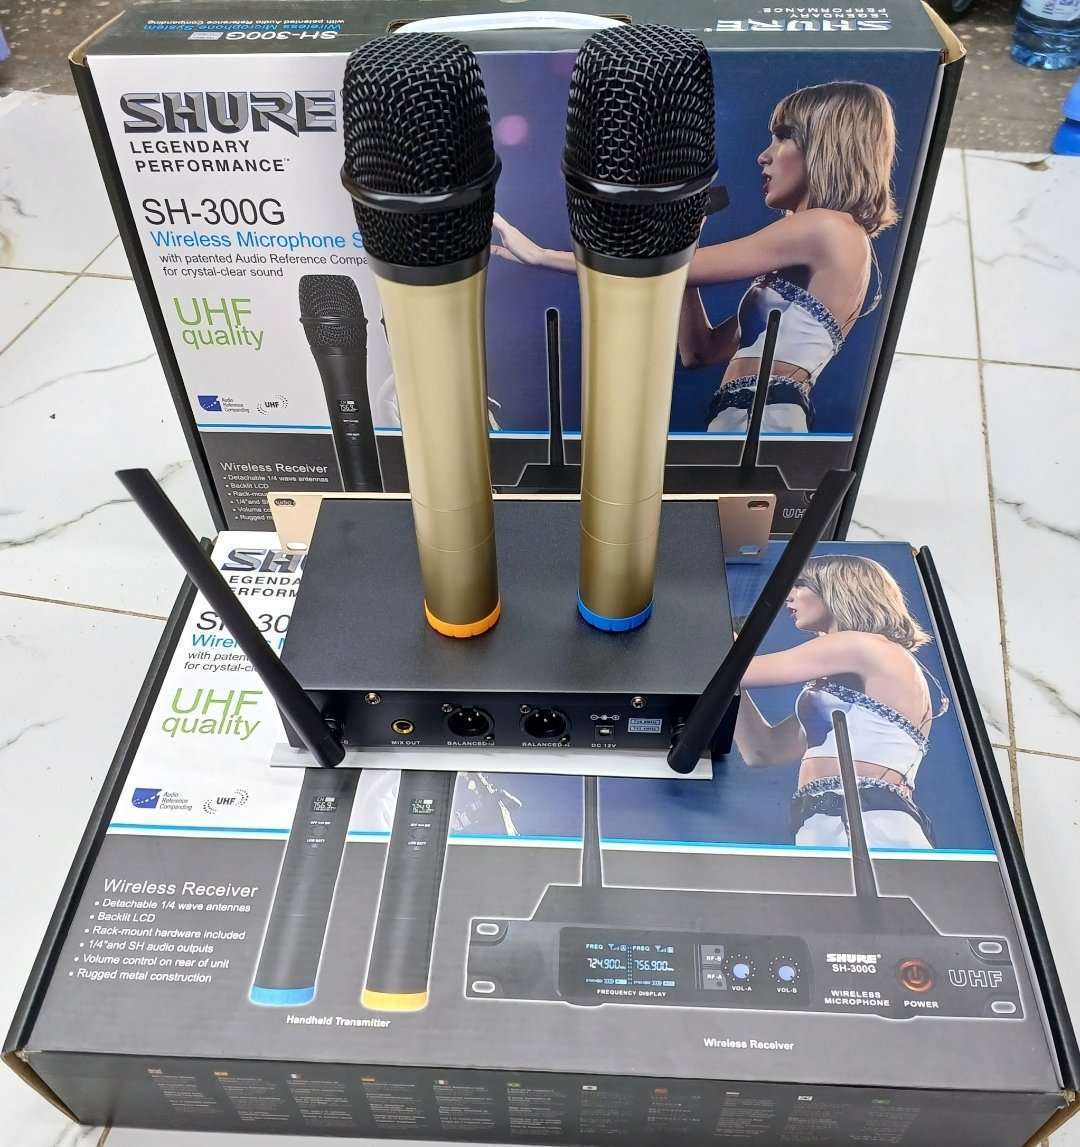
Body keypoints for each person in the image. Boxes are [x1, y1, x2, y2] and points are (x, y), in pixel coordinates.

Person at [490, 81, 898, 434]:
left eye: (784, 136)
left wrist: (542, 256)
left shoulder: (825, 227)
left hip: (763, 418)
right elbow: (699, 351)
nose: (765, 155)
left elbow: (658, 272)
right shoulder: (831, 239)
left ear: (827, 145)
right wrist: (687, 243)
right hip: (746, 415)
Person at [735, 555, 948, 850]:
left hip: (865, 821)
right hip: (833, 819)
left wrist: (717, 636)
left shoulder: (861, 645)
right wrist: (730, 683)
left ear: (838, 588)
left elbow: (737, 671)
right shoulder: (842, 697)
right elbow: (763, 751)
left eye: (801, 584)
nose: (788, 597)